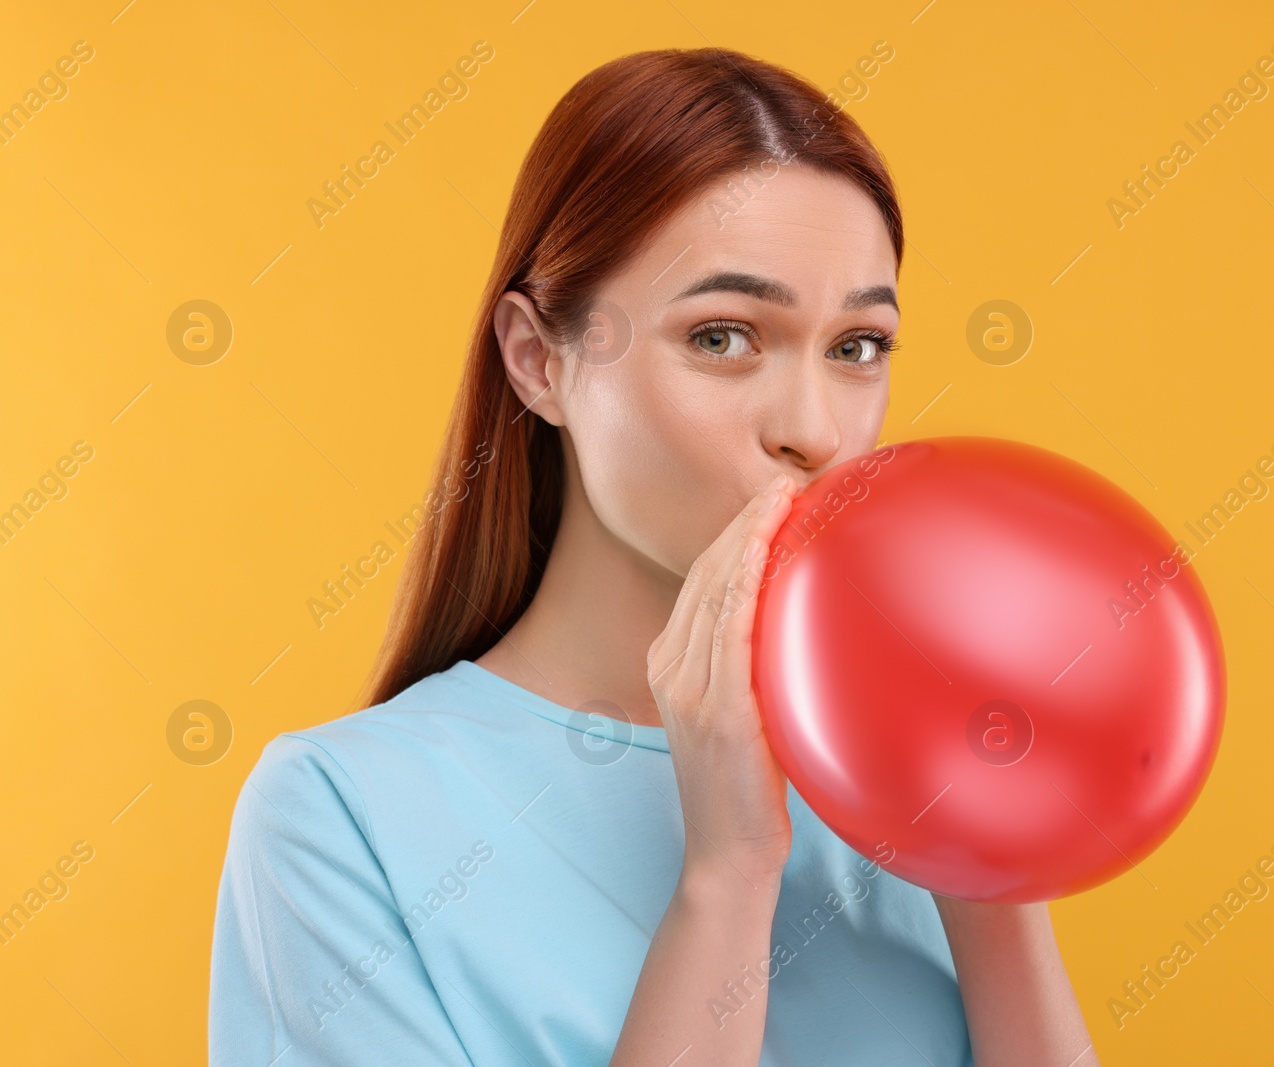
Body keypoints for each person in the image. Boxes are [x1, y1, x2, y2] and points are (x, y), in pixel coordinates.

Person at [209, 46, 1099, 1066]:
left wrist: (988, 867)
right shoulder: (341, 814)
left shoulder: (907, 764)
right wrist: (727, 873)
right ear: (539, 359)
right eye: (723, 336)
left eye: (856, 346)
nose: (812, 428)